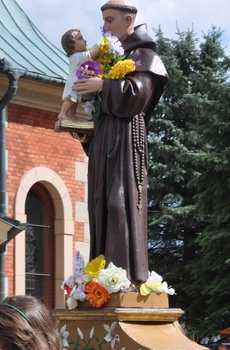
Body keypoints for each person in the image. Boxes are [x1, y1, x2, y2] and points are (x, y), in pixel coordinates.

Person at [72, 0, 168, 281]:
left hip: (127, 139)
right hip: (104, 140)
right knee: (101, 204)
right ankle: (102, 276)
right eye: (103, 20)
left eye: (111, 20)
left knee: (119, 202)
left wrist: (102, 85)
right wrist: (84, 131)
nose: (105, 26)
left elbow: (137, 97)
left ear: (129, 21)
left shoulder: (145, 56)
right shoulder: (105, 57)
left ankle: (125, 278)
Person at [58, 29, 101, 122]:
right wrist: (104, 44)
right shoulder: (76, 56)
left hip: (76, 82)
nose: (85, 41)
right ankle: (63, 113)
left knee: (75, 100)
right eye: (80, 39)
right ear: (72, 46)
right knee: (70, 99)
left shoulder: (78, 55)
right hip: (74, 82)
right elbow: (92, 54)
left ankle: (72, 116)